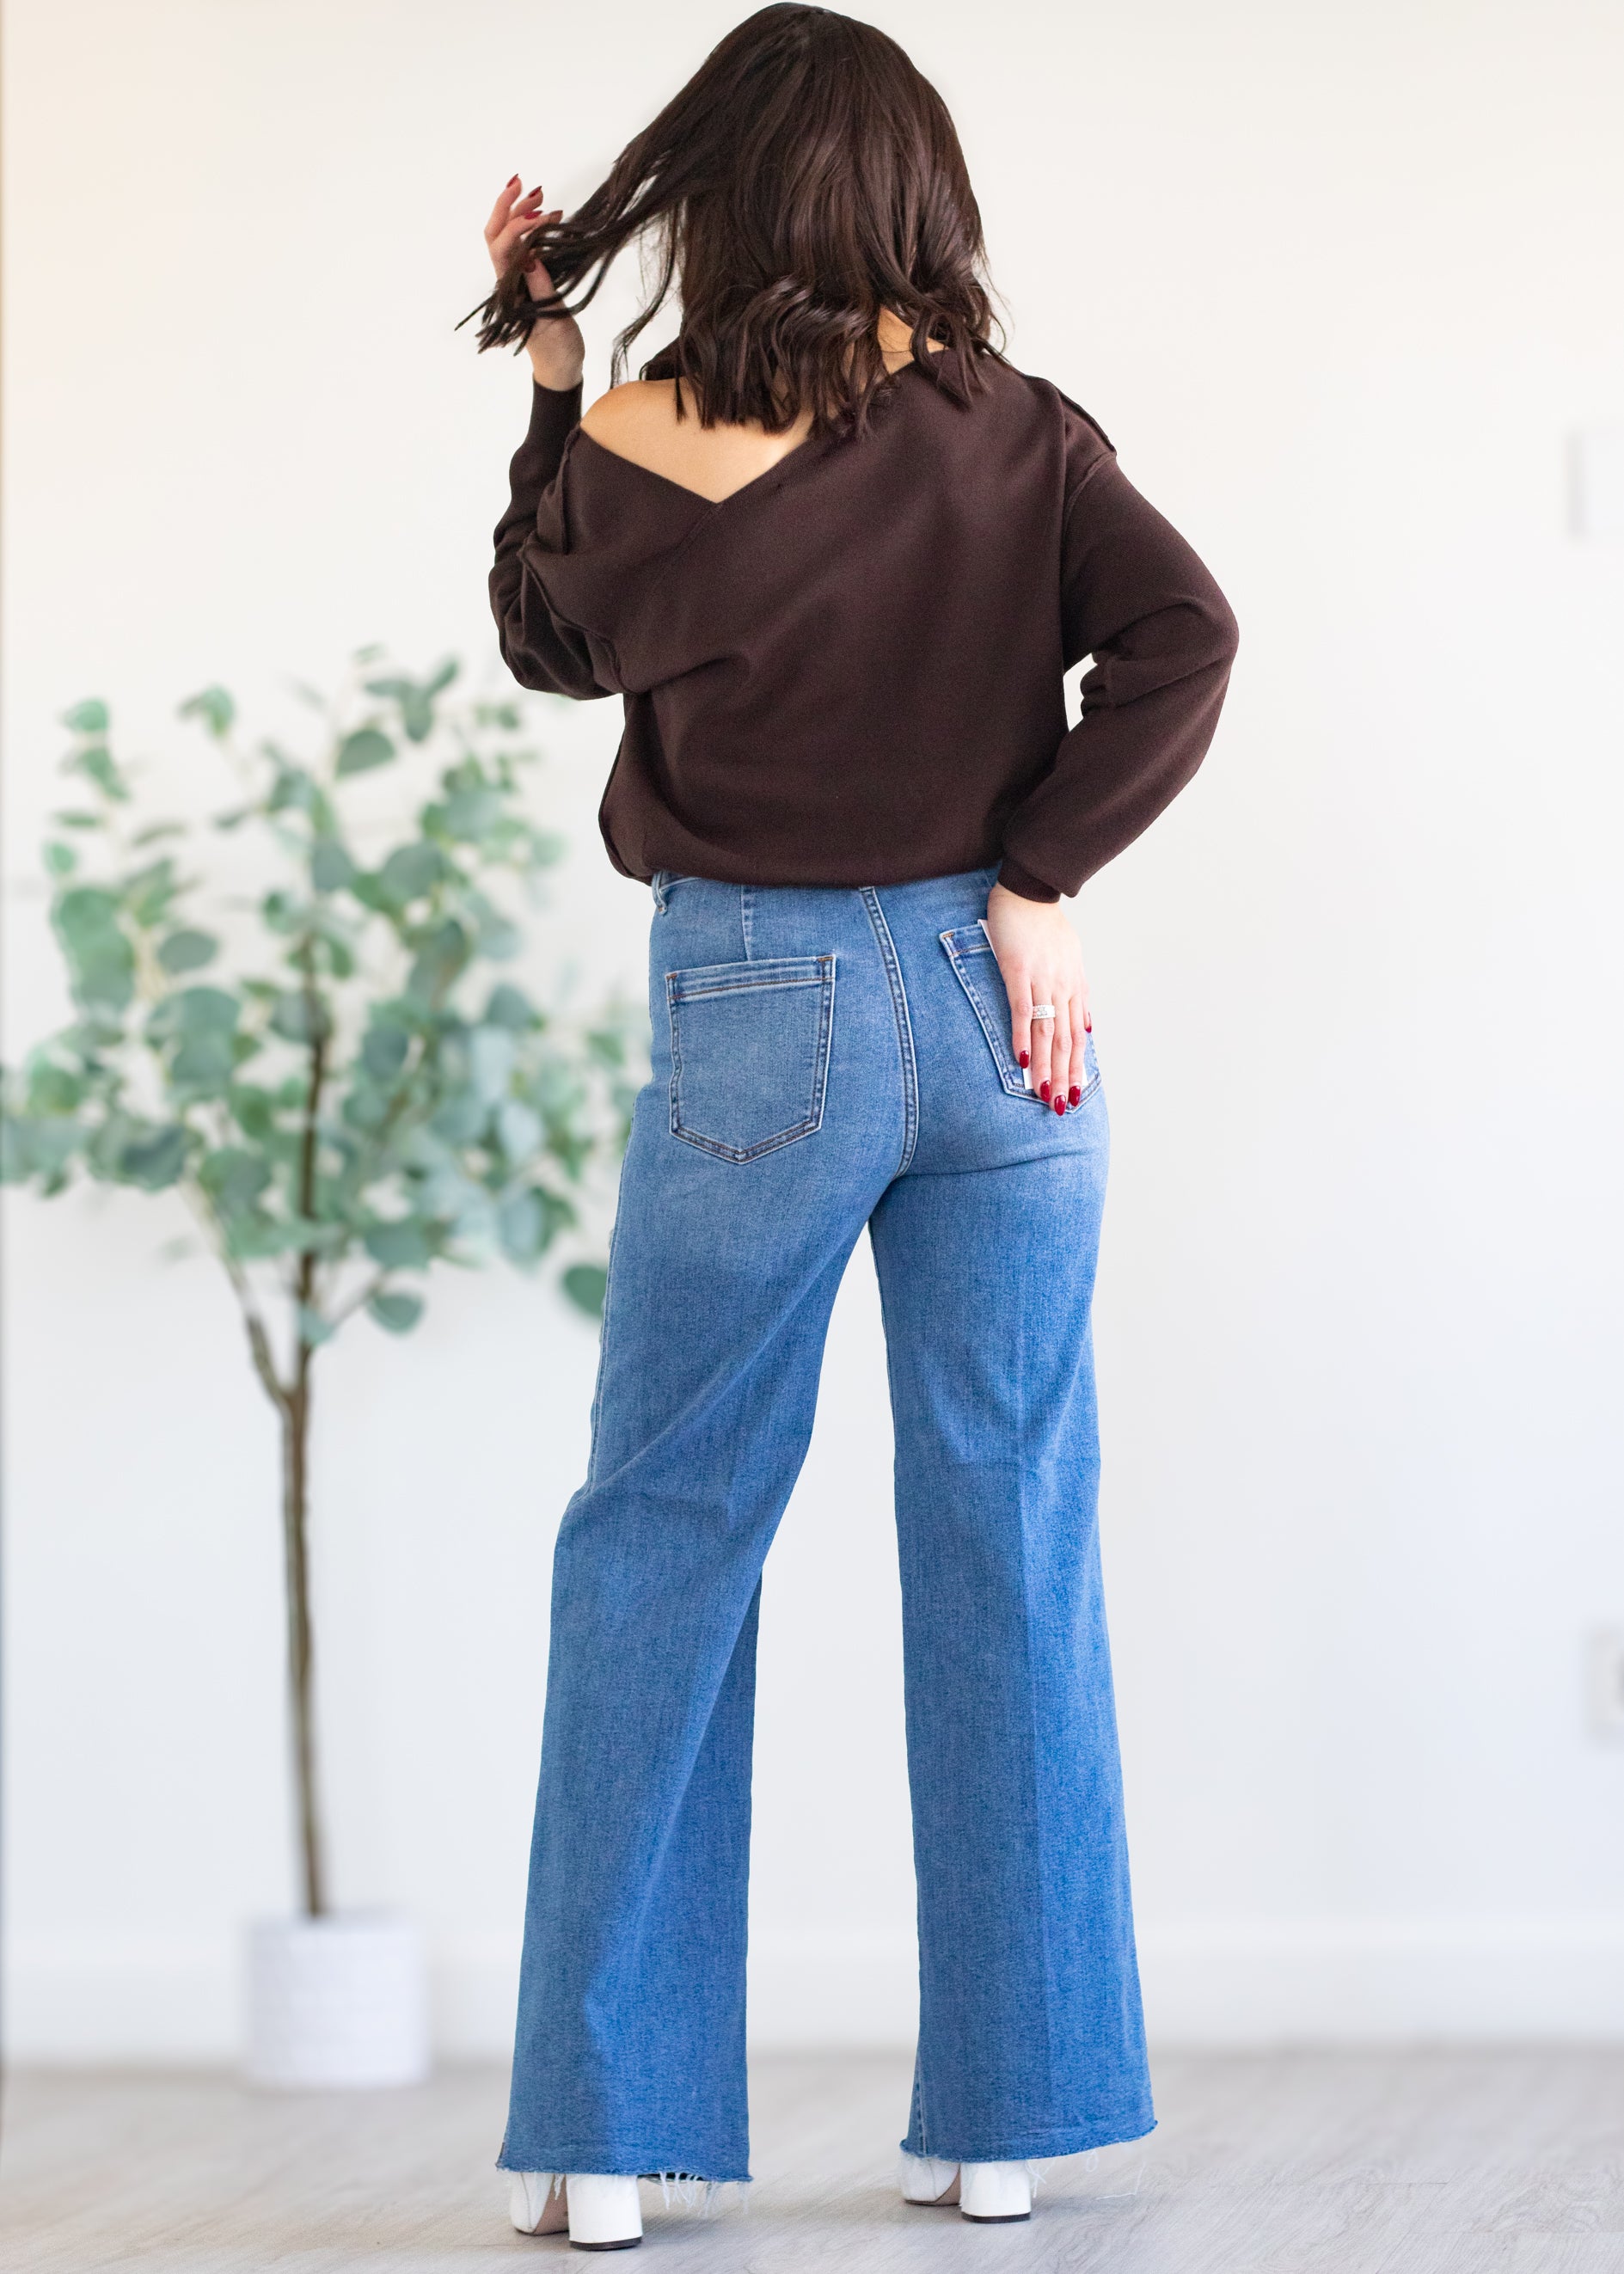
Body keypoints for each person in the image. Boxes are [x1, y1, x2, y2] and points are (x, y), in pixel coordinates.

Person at [472, 4, 1237, 2249]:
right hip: (1014, 1034)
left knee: (664, 1529)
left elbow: (547, 641)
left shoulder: (648, 427)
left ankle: (606, 2138)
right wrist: (1035, 881)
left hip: (760, 1011)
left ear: (721, 193)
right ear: (919, 192)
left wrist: (547, 384)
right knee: (1008, 1534)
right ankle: (1007, 2125)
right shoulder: (1022, 433)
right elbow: (1184, 636)